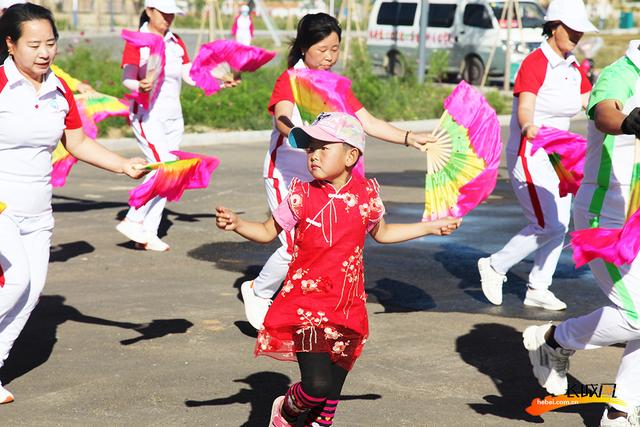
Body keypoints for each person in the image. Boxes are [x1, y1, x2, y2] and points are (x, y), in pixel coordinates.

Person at [216, 112, 461, 426]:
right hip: (306, 306)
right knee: (316, 386)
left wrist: (430, 227)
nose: (313, 155)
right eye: (309, 149)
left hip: (348, 307)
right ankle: (286, 411)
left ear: (351, 155)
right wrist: (237, 224)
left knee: (327, 404)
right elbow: (266, 232)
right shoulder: (300, 196)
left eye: (323, 147)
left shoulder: (366, 197)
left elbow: (383, 234)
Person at [241, 13, 438, 330]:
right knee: (293, 245)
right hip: (287, 173)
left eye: (335, 49)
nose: (330, 57)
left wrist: (408, 137)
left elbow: (367, 122)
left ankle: (305, 306)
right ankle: (258, 291)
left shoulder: (337, 85)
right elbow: (282, 117)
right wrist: (298, 136)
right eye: (323, 49)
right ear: (305, 47)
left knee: (318, 244)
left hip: (322, 176)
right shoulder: (291, 79)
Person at [0, 3, 146, 403]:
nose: (44, 52)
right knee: (14, 284)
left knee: (31, 294)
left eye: (50, 43)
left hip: (38, 209)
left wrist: (122, 166)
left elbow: (77, 142)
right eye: (34, 44)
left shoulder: (58, 89)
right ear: (10, 44)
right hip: (1, 205)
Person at [523, 38, 640, 427]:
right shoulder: (622, 73)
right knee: (638, 314)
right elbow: (605, 113)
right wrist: (628, 121)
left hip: (635, 215)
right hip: (604, 215)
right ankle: (553, 340)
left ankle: (621, 410)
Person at [477, 0, 597, 311]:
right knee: (548, 225)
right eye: (572, 29)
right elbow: (526, 106)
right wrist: (527, 124)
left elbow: (591, 104)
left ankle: (539, 287)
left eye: (580, 30)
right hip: (530, 154)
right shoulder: (535, 63)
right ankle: (494, 265)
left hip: (561, 157)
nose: (577, 35)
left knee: (560, 223)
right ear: (555, 26)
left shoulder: (573, 68)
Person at [116, 0, 196, 252]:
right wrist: (139, 86)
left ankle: (148, 233)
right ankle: (133, 218)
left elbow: (189, 74)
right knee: (162, 167)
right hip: (147, 115)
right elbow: (127, 79)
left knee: (169, 173)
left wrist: (217, 78)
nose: (169, 18)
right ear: (149, 11)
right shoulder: (137, 39)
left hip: (174, 116)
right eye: (164, 13)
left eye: (172, 14)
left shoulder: (176, 41)